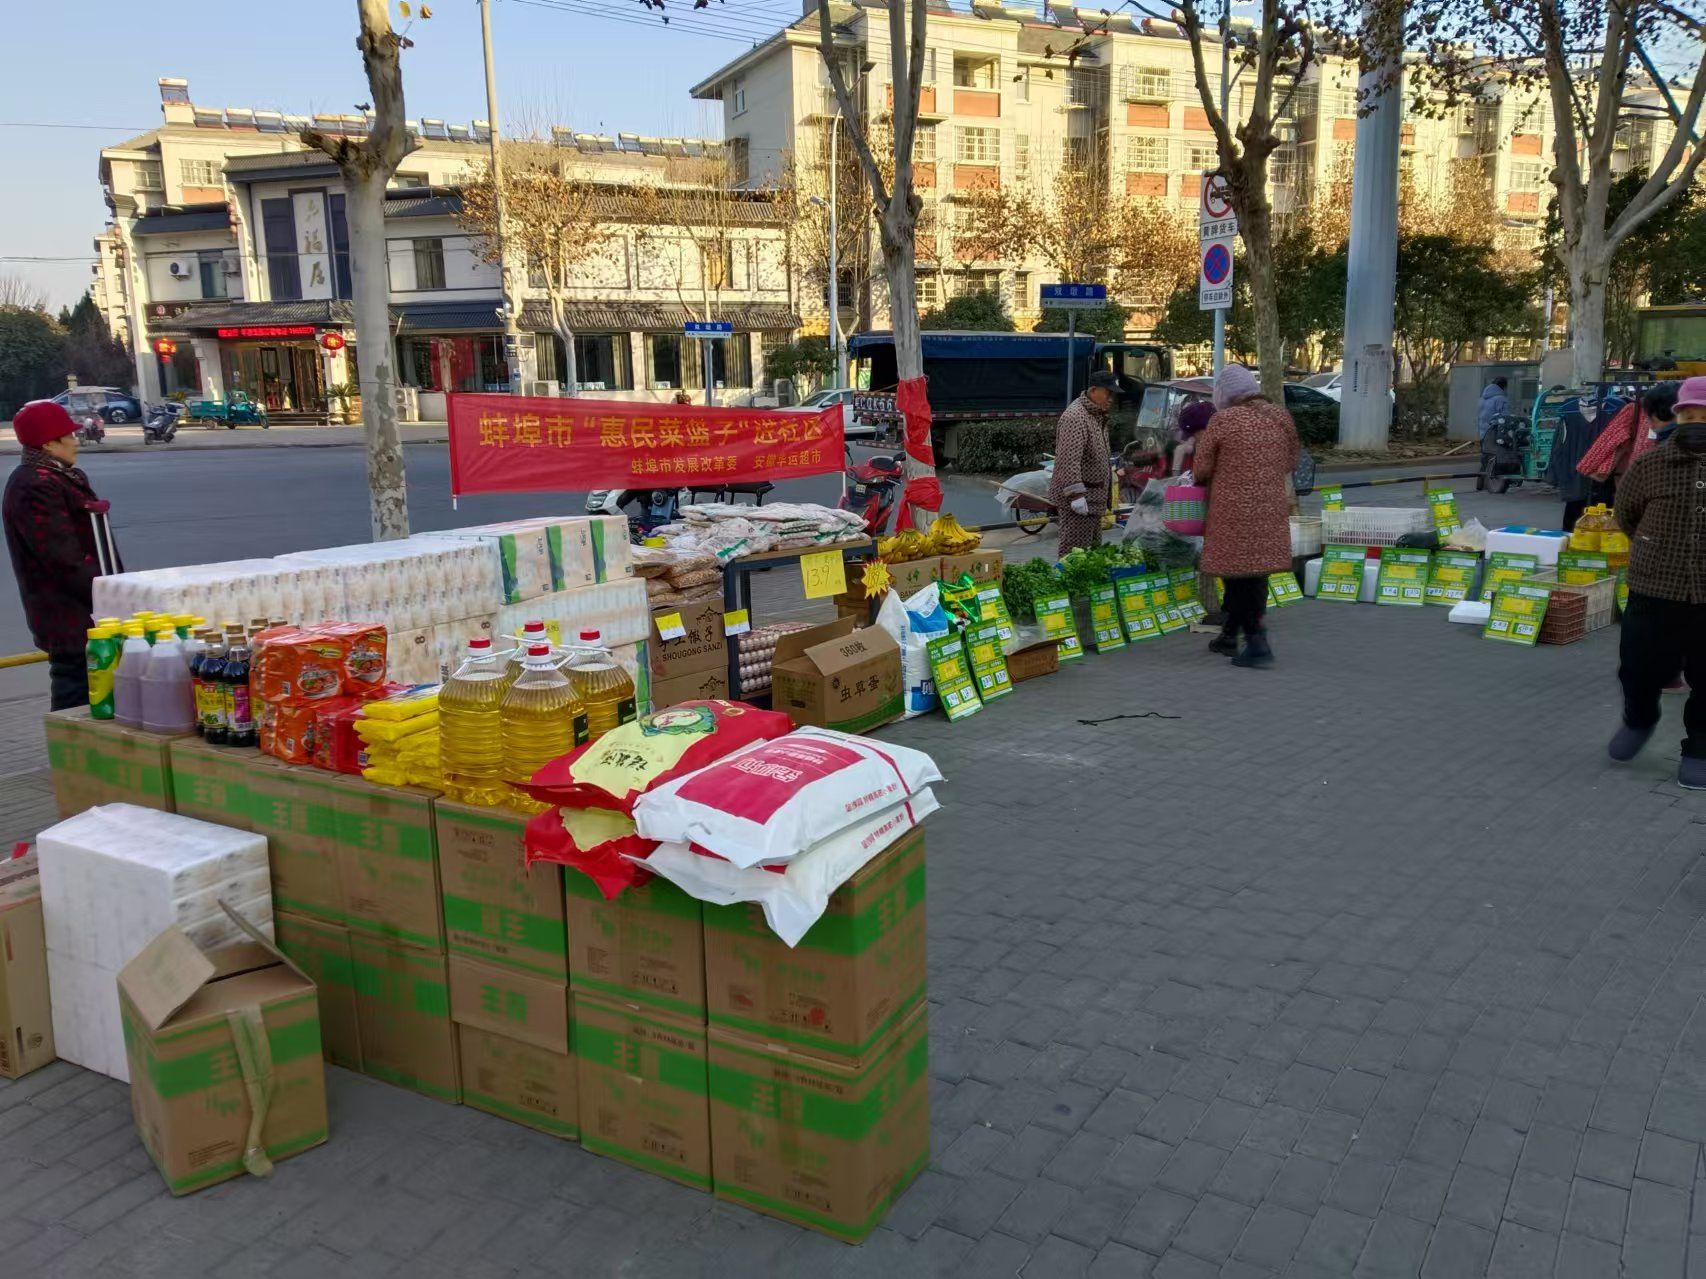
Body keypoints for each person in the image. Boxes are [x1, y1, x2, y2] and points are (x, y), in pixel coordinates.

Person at [1607, 376, 1706, 789]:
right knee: (1639, 668)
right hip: (1654, 588)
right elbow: (1626, 513)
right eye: (1689, 416)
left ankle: (1699, 749)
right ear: (1677, 417)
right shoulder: (1650, 464)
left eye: (1704, 416)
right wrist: (1655, 546)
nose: (1696, 423)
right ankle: (1640, 719)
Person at [3, 401, 119, 710]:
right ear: (48, 443)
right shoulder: (35, 485)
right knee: (75, 698)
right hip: (70, 621)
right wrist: (113, 596)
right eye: (68, 435)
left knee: (97, 698)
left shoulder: (58, 476)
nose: (75, 441)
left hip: (89, 616)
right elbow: (65, 561)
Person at [1194, 364, 1299, 669]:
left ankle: (1257, 643)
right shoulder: (1280, 417)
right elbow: (1291, 460)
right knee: (1256, 574)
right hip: (1270, 510)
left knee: (1237, 576)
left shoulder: (1223, 420)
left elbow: (1201, 469)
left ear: (1225, 393)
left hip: (1232, 513)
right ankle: (1229, 635)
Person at [1051, 370, 1116, 555]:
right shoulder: (1075, 417)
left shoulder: (1096, 415)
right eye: (1108, 393)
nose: (1111, 399)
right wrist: (1076, 496)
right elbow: (1068, 460)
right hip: (1080, 502)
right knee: (1074, 554)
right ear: (1093, 390)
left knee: (1091, 554)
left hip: (1093, 500)